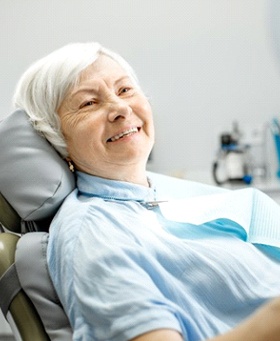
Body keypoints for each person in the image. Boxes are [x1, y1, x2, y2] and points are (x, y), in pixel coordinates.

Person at [13, 42, 280, 341]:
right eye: (89, 103)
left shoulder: (160, 194)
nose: (120, 108)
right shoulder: (93, 233)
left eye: (125, 90)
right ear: (54, 138)